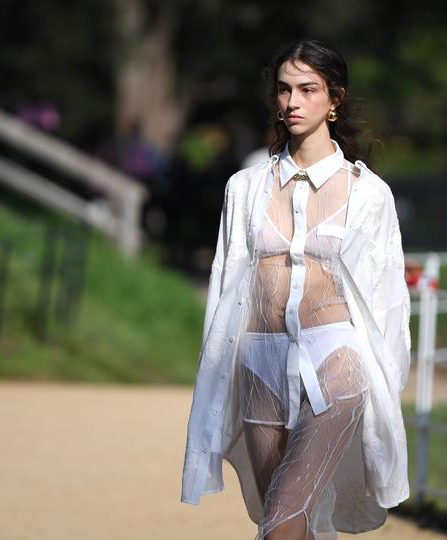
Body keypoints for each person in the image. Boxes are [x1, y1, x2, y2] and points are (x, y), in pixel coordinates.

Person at [181, 39, 411, 540]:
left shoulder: (369, 193)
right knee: (285, 523)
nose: (293, 102)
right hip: (258, 362)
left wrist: (386, 394)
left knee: (281, 526)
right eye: (285, 90)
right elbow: (224, 284)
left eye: (308, 89)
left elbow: (390, 299)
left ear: (335, 100)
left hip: (335, 361)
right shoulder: (244, 187)